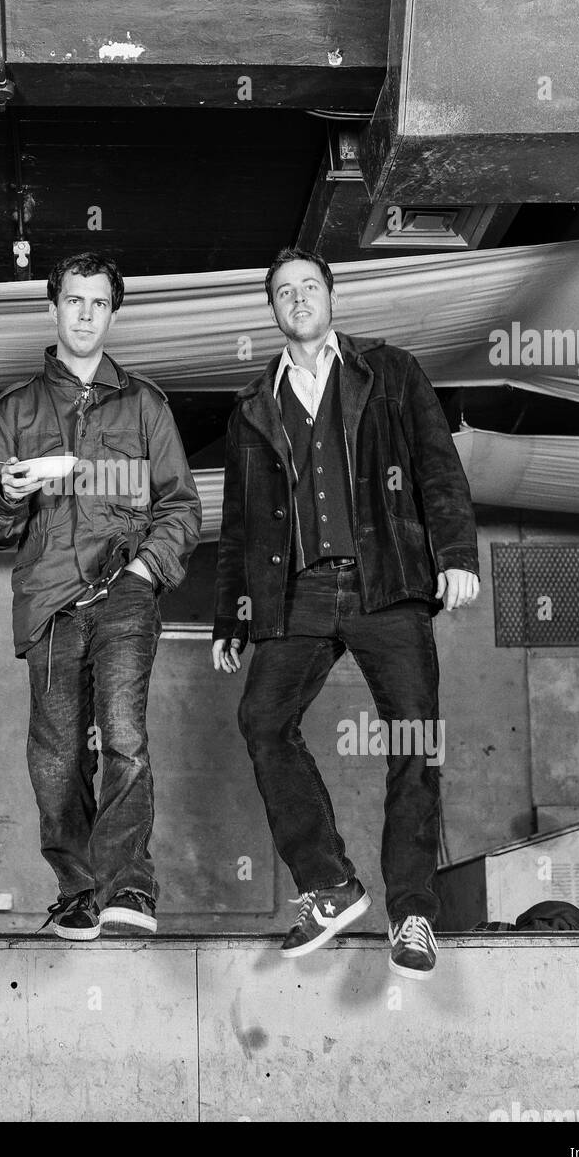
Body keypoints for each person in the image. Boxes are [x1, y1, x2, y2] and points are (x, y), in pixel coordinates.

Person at [211, 246, 479, 979]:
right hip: (297, 591)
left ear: (331, 296)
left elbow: (436, 466)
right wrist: (233, 616)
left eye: (309, 286)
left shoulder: (389, 372)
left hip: (385, 581)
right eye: (284, 291)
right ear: (272, 309)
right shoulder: (252, 406)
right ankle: (329, 884)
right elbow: (241, 523)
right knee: (262, 721)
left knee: (413, 739)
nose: (298, 299)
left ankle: (415, 913)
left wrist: (456, 555)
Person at [0, 252, 201, 939]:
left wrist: (144, 571)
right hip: (48, 599)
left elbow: (182, 509)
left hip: (124, 591)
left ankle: (128, 885)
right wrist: (7, 495)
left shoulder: (146, 405)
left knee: (124, 737)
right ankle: (79, 887)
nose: (83, 313)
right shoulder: (15, 408)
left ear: (111, 312)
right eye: (73, 301)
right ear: (53, 308)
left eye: (97, 303)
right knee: (54, 753)